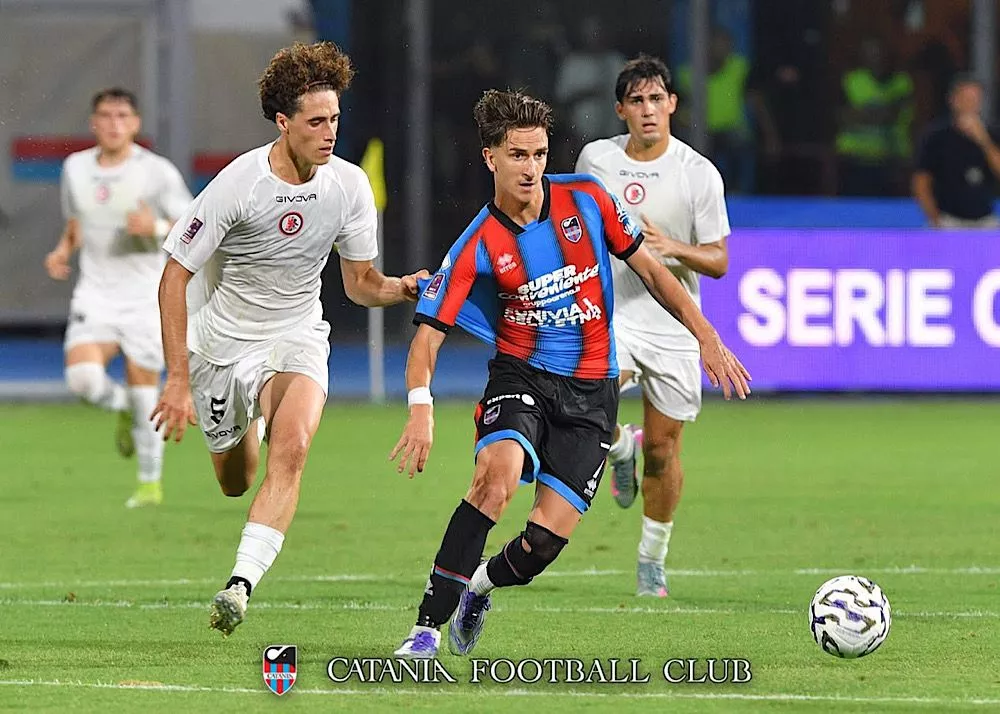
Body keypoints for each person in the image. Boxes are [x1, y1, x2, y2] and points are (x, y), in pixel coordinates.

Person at [389, 89, 749, 659]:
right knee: (494, 480)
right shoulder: (478, 243)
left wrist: (705, 334)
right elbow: (426, 340)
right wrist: (419, 408)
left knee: (542, 543)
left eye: (539, 154)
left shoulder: (587, 199)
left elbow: (654, 272)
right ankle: (425, 630)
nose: (531, 168)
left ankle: (478, 588)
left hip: (592, 393)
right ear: (490, 158)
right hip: (521, 377)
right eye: (517, 155)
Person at [151, 42, 428, 637]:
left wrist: (403, 288)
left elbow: (360, 284)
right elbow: (174, 276)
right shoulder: (238, 184)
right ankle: (245, 423)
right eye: (316, 121)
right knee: (234, 481)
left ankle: (240, 583)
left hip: (297, 335)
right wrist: (176, 378)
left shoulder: (348, 186)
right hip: (222, 347)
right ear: (283, 121)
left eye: (335, 119)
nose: (330, 133)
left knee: (295, 445)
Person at [575, 55, 731, 598]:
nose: (648, 109)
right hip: (611, 314)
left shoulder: (697, 172)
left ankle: (651, 561)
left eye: (656, 99)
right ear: (620, 109)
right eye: (636, 100)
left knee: (663, 452)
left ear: (672, 105)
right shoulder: (596, 160)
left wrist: (672, 247)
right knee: (583, 412)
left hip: (672, 326)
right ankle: (619, 446)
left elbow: (718, 260)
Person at [44, 87, 193, 509]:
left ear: (136, 123)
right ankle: (124, 405)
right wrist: (62, 250)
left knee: (146, 387)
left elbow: (194, 223)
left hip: (145, 297)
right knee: (83, 380)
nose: (114, 124)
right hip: (95, 293)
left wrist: (157, 227)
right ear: (94, 123)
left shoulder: (156, 172)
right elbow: (76, 223)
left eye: (122, 116)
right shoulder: (75, 168)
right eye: (106, 116)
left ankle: (149, 485)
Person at [913, 74, 1000, 228]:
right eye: (965, 99)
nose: (970, 104)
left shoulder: (992, 135)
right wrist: (935, 219)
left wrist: (984, 141)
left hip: (985, 220)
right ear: (953, 100)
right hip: (948, 219)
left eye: (974, 99)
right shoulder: (936, 137)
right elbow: (921, 182)